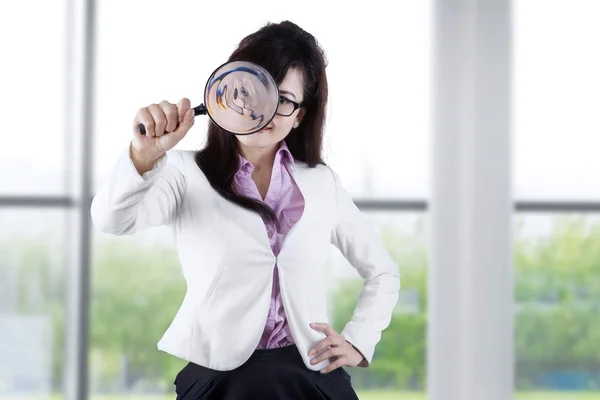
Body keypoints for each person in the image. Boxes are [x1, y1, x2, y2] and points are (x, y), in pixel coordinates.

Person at [91, 20, 400, 400]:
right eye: (249, 92)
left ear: (300, 114)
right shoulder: (183, 173)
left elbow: (383, 271)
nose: (263, 112)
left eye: (283, 100)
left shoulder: (322, 182)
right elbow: (111, 220)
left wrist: (359, 340)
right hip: (219, 379)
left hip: (312, 376)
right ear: (226, 94)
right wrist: (143, 156)